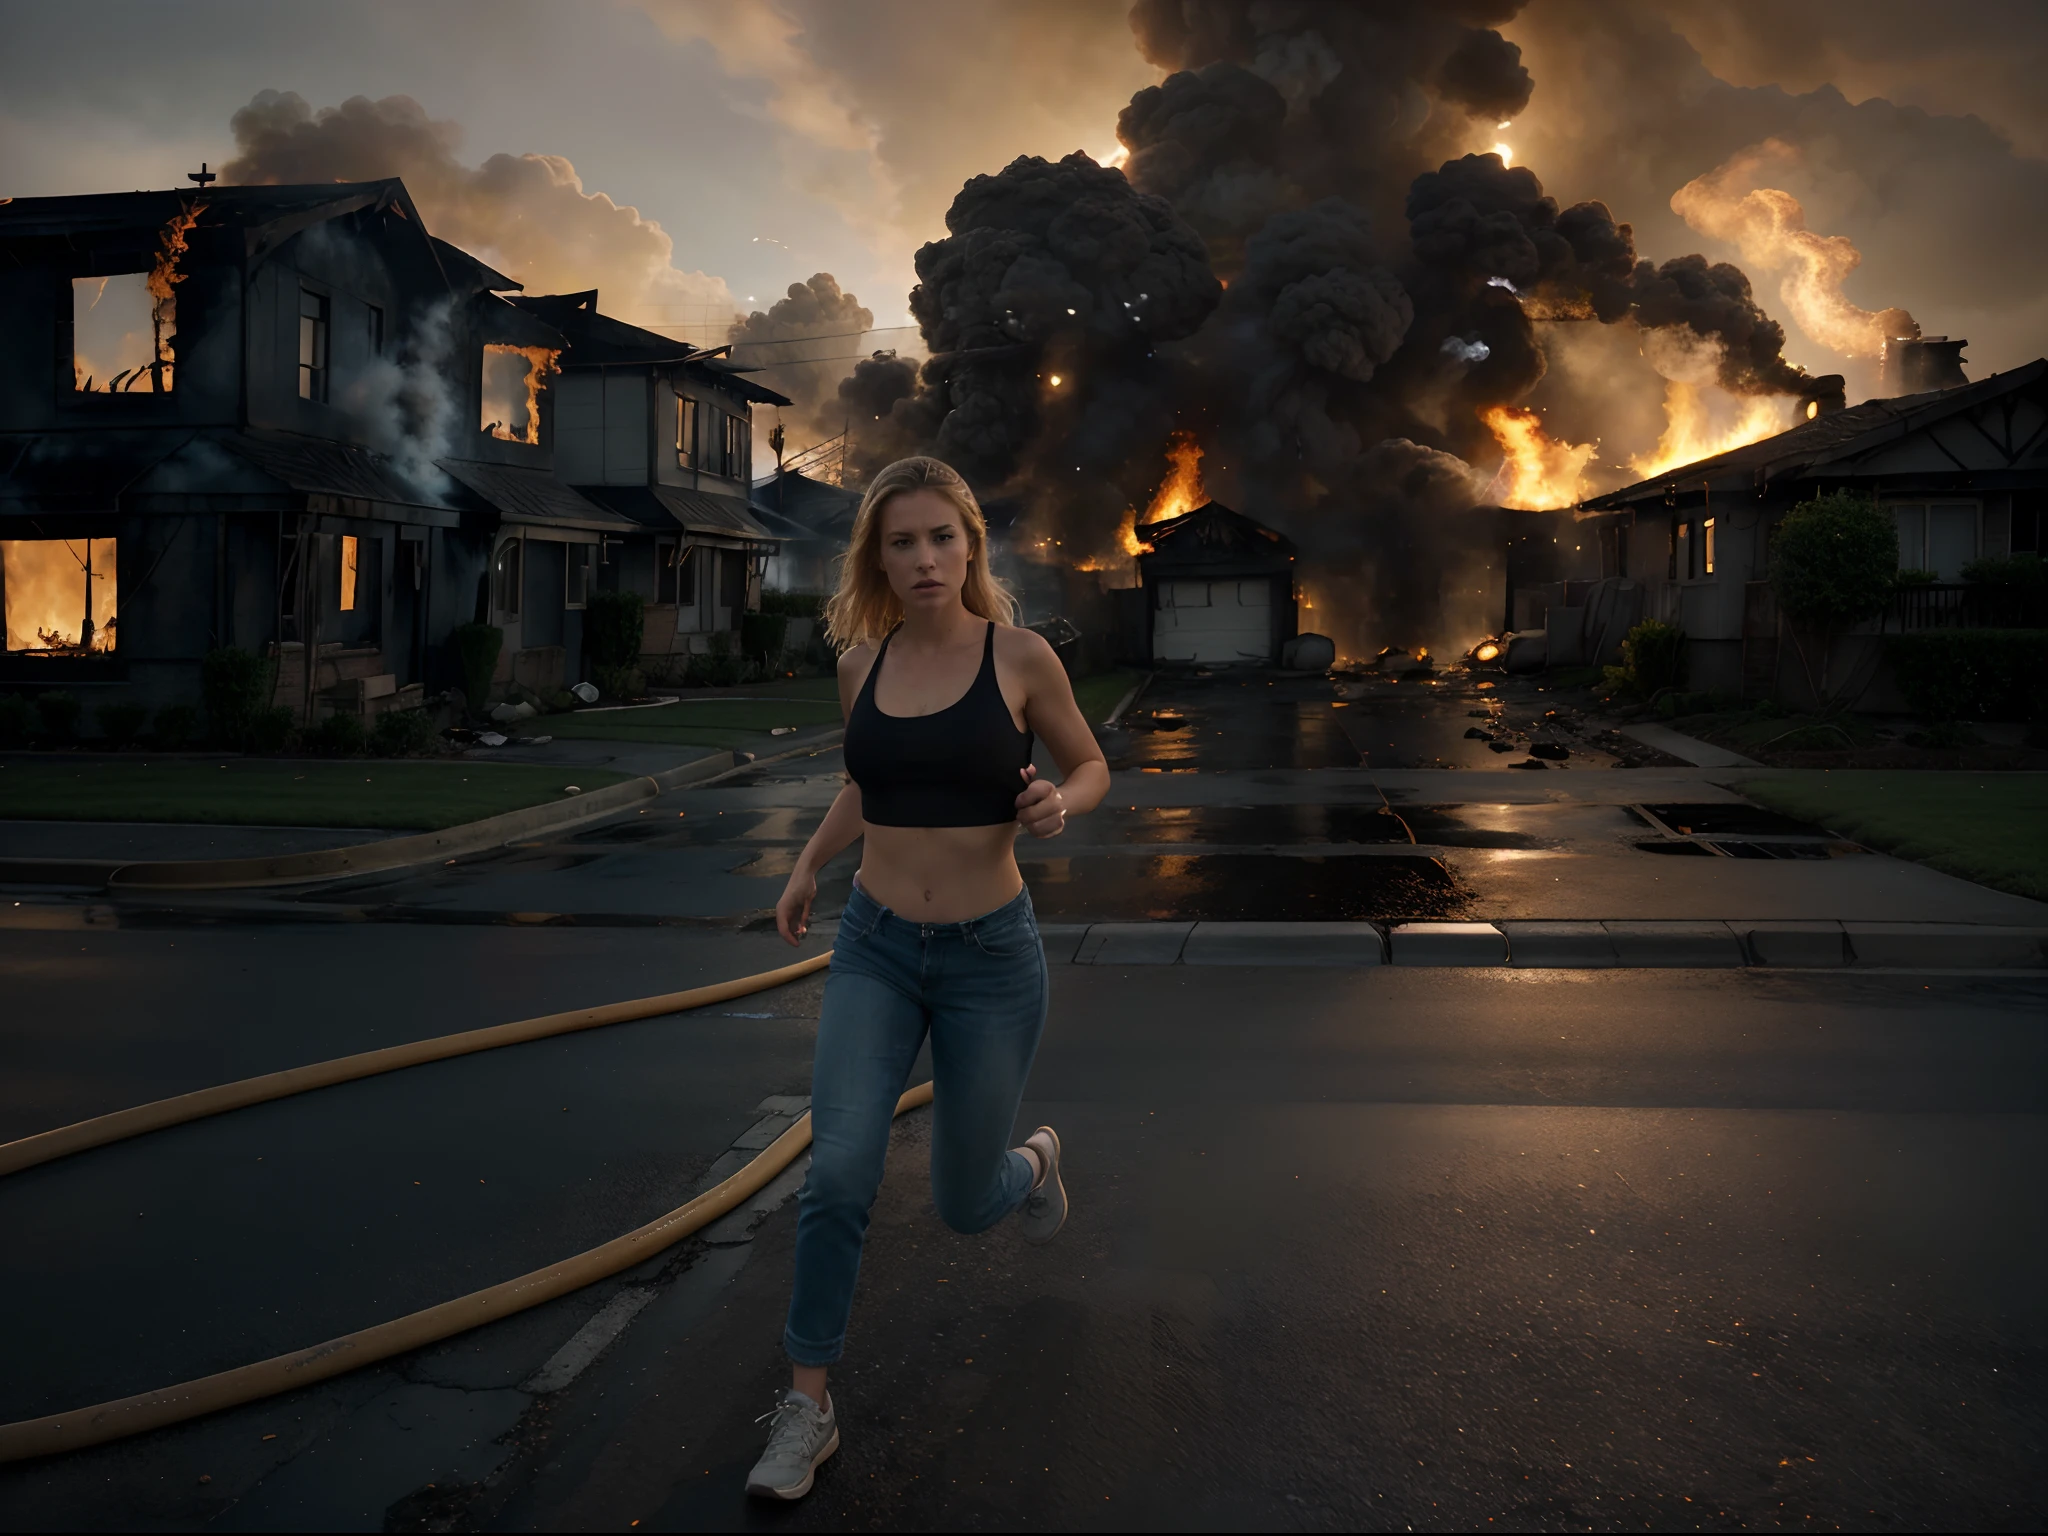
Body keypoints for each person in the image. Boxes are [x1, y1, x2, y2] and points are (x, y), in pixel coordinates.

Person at [744, 456, 1110, 1500]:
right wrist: (810, 862)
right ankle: (805, 1404)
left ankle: (1029, 1166)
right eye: (899, 542)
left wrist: (1060, 807)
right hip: (873, 947)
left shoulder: (1021, 657)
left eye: (940, 538)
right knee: (838, 1173)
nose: (922, 559)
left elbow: (1088, 765)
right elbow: (866, 781)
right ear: (876, 556)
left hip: (991, 961)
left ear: (969, 546)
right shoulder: (863, 665)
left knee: (960, 1203)